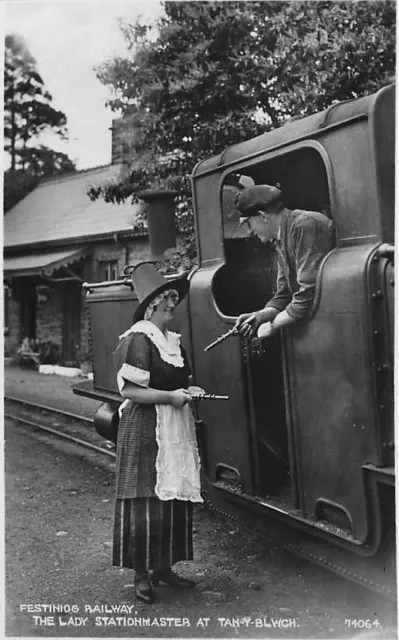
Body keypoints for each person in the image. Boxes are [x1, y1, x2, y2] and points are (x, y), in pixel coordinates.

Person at [112, 262, 205, 605]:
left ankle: (164, 568)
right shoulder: (139, 338)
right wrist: (170, 397)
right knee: (144, 501)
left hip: (173, 427)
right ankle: (141, 575)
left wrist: (190, 391)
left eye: (173, 297)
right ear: (150, 306)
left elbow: (183, 380)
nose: (172, 303)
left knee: (171, 499)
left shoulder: (173, 342)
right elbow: (130, 391)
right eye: (165, 298)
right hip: (145, 428)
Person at [233, 184, 335, 339]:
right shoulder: (281, 238)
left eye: (248, 223)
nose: (249, 231)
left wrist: (272, 326)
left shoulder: (304, 225)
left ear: (263, 216)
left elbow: (307, 294)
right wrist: (259, 316)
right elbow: (284, 295)